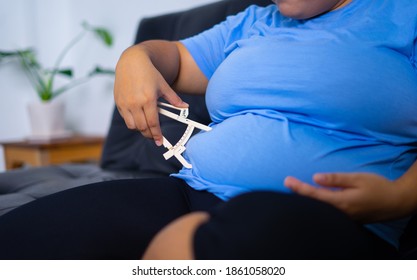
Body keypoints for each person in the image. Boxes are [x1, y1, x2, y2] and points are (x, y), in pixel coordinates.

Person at [0, 0, 416, 260]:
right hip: (192, 190)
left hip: (335, 218)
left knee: (221, 238)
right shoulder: (255, 22)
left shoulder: (404, 14)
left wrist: (399, 197)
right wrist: (134, 58)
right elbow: (176, 59)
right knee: (26, 236)